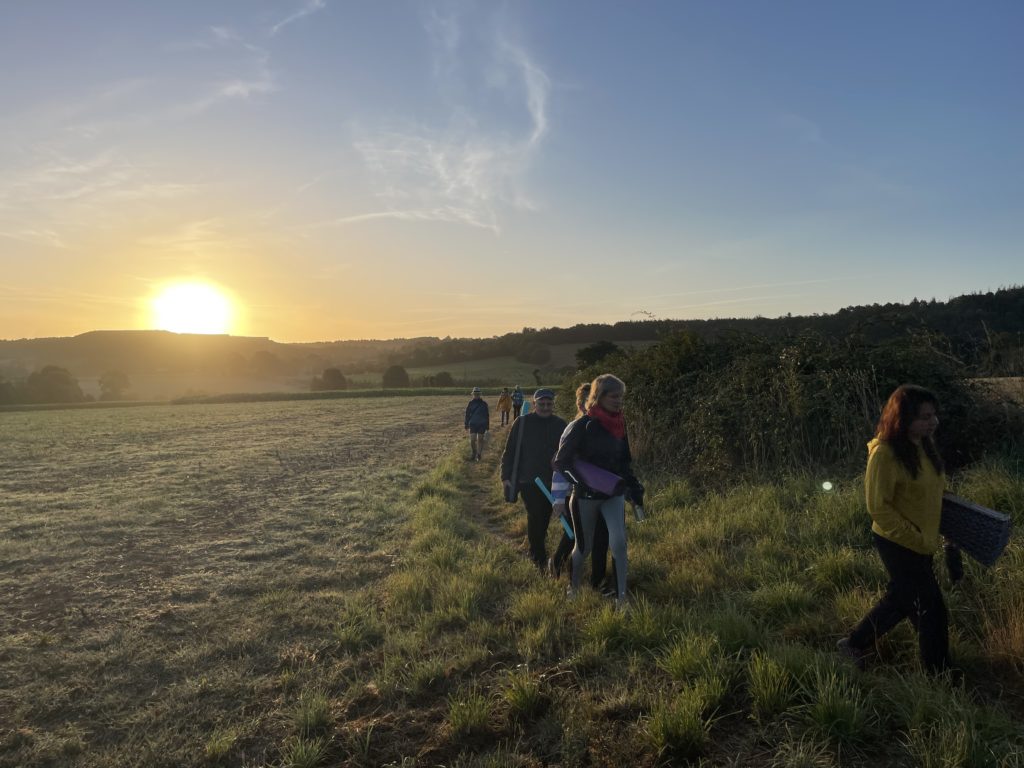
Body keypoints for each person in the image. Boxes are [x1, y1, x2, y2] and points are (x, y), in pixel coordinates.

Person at [838, 384, 952, 675]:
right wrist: (915, 538)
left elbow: (929, 490)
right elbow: (878, 507)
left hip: (923, 541)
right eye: (924, 417)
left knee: (900, 600)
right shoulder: (885, 454)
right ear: (903, 419)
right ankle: (941, 677)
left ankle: (852, 644)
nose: (933, 422)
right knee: (932, 611)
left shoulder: (923, 445)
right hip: (898, 542)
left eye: (933, 415)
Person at [554, 374, 643, 608]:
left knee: (620, 544)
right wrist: (580, 483)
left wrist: (634, 489)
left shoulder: (619, 425)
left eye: (621, 397)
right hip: (584, 497)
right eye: (614, 396)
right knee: (584, 548)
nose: (619, 401)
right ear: (599, 396)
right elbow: (560, 462)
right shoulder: (582, 426)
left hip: (612, 495)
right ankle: (573, 589)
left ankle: (622, 598)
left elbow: (625, 463)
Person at [550, 383, 614, 593]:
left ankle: (598, 582)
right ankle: (558, 566)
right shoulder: (573, 428)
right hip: (575, 494)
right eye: (588, 400)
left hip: (601, 494)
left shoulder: (606, 426)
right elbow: (560, 466)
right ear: (580, 403)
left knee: (600, 540)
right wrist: (558, 499)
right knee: (574, 538)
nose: (592, 404)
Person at [501, 388, 568, 572]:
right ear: (534, 404)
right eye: (541, 404)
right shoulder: (522, 423)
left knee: (557, 522)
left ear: (553, 404)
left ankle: (551, 558)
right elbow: (510, 451)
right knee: (536, 518)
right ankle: (538, 558)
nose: (545, 407)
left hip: (555, 481)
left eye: (549, 404)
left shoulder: (561, 424)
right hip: (529, 480)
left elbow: (568, 454)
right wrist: (505, 477)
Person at [464, 387, 490, 461]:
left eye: (477, 394)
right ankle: (474, 452)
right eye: (475, 394)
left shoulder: (484, 404)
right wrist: (466, 424)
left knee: (480, 439)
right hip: (473, 424)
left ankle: (479, 455)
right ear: (473, 394)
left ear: (480, 394)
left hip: (482, 424)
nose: (476, 395)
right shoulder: (470, 403)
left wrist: (487, 425)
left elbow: (487, 415)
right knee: (472, 440)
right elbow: (467, 414)